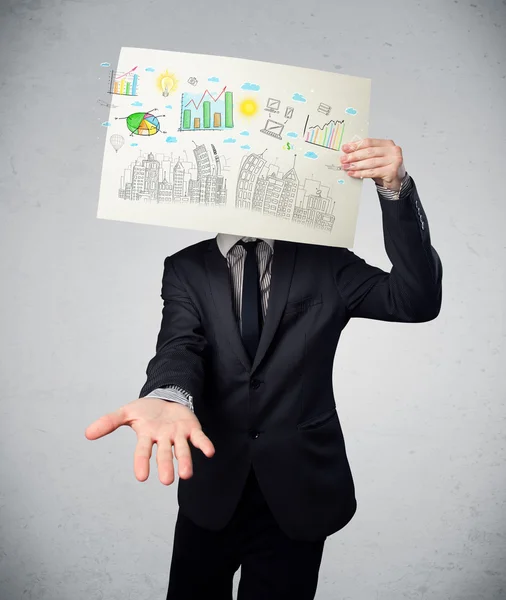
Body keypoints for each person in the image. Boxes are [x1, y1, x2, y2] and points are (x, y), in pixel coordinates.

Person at [85, 138, 442, 599]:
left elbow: (416, 300)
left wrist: (395, 190)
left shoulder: (326, 260)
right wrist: (168, 394)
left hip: (300, 488)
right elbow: (180, 345)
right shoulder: (185, 269)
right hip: (212, 487)